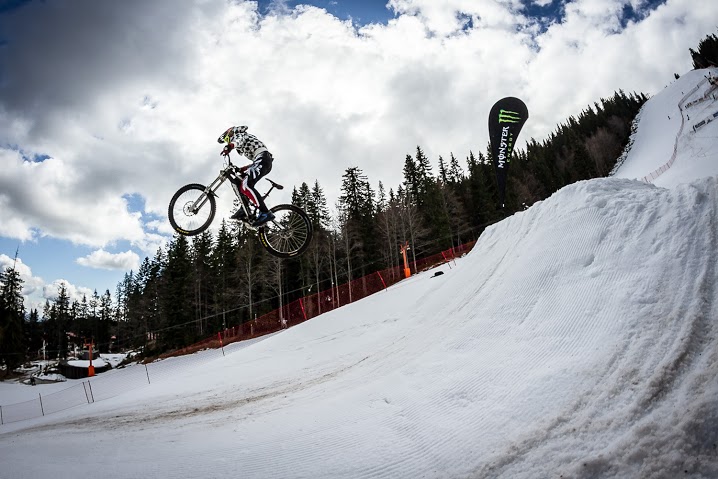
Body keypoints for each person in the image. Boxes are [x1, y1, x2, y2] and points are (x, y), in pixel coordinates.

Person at [217, 126, 275, 227]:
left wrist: (230, 146)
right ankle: (244, 208)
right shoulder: (248, 145)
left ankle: (265, 212)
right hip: (262, 160)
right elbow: (255, 163)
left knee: (246, 185)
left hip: (263, 159)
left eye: (228, 138)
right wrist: (241, 169)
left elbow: (239, 140)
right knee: (238, 181)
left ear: (232, 133)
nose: (228, 140)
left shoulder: (241, 135)